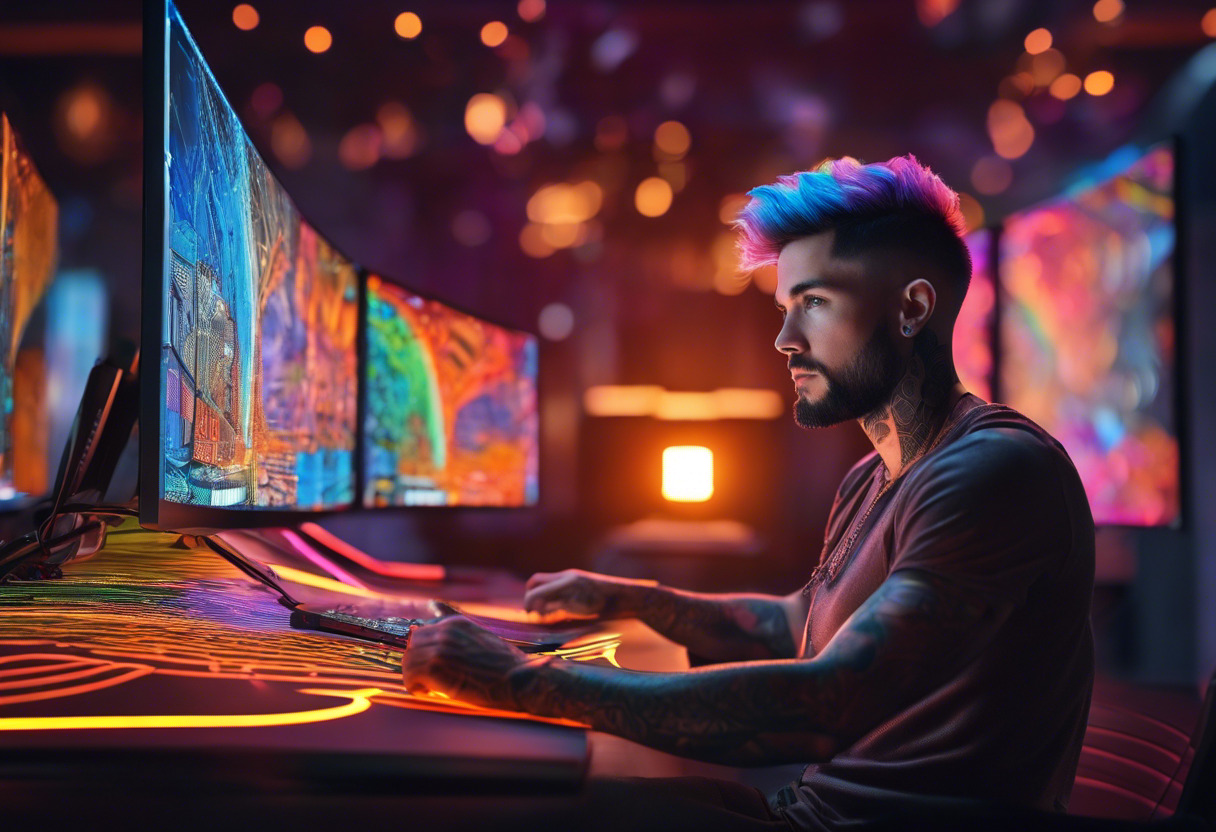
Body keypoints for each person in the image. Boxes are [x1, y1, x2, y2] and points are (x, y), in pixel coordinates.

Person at [401, 155, 1095, 831]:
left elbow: (828, 703)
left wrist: (521, 682)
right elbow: (802, 624)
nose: (785, 339)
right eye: (786, 308)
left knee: (485, 808)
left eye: (815, 303)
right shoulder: (875, 473)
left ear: (912, 308)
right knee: (540, 794)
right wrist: (636, 599)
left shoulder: (995, 471)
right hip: (811, 810)